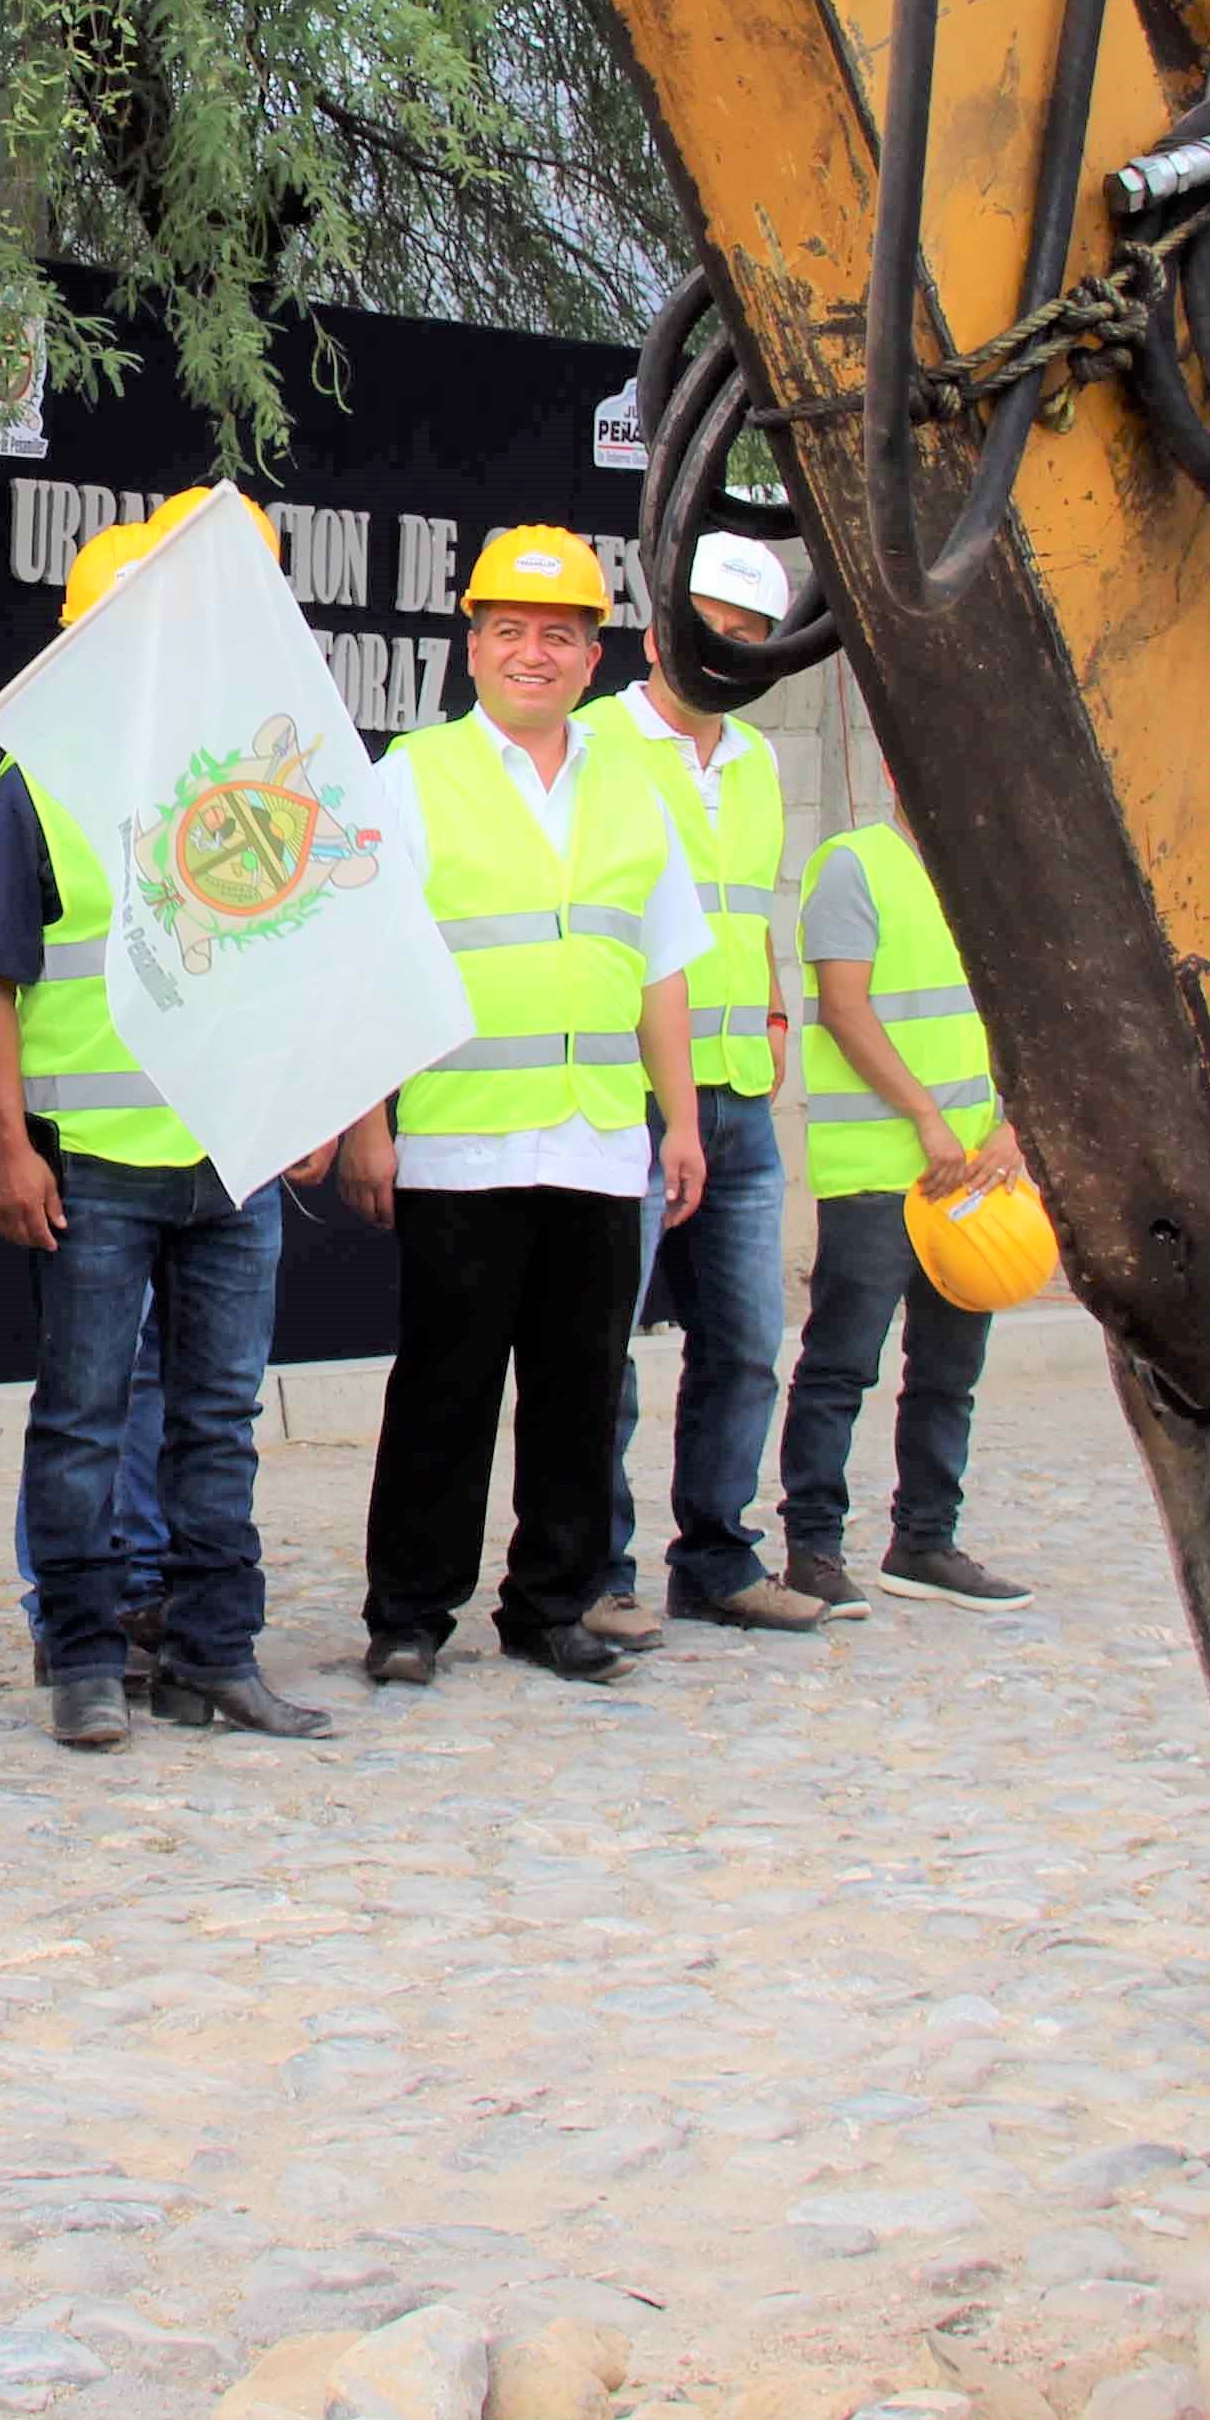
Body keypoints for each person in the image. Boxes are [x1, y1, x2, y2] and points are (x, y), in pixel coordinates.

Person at [0, 498, 326, 1751]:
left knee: (222, 1421)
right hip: (94, 1166)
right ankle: (85, 1659)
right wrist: (8, 1144)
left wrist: (301, 1099)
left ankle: (215, 1655)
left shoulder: (235, 776)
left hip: (232, 1160)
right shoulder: (34, 790)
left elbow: (283, 954)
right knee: (84, 1418)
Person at [329, 526, 706, 1688]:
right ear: (473, 644)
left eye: (558, 635)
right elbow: (364, 960)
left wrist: (679, 1121)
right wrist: (367, 1122)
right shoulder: (413, 775)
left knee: (581, 1393)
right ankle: (409, 1615)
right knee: (444, 1389)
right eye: (510, 632)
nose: (532, 654)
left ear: (593, 657)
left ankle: (553, 1607)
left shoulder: (635, 790)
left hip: (596, 1141)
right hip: (461, 1144)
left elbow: (661, 967)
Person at [587, 531, 831, 1638]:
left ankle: (719, 1557)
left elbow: (750, 913)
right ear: (658, 631)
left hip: (738, 1095)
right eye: (710, 629)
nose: (726, 651)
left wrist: (775, 1015)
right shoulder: (591, 747)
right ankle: (598, 1568)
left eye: (747, 638)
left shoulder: (760, 763)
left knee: (743, 1341)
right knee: (601, 1348)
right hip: (628, 1098)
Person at [780, 796, 1034, 1611]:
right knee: (840, 1367)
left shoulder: (991, 868)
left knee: (948, 1371)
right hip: (881, 1172)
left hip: (976, 1177)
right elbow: (844, 1008)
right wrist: (926, 1115)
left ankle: (926, 1542)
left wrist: (1015, 1125)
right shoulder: (856, 866)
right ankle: (812, 1550)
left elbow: (1027, 1011)